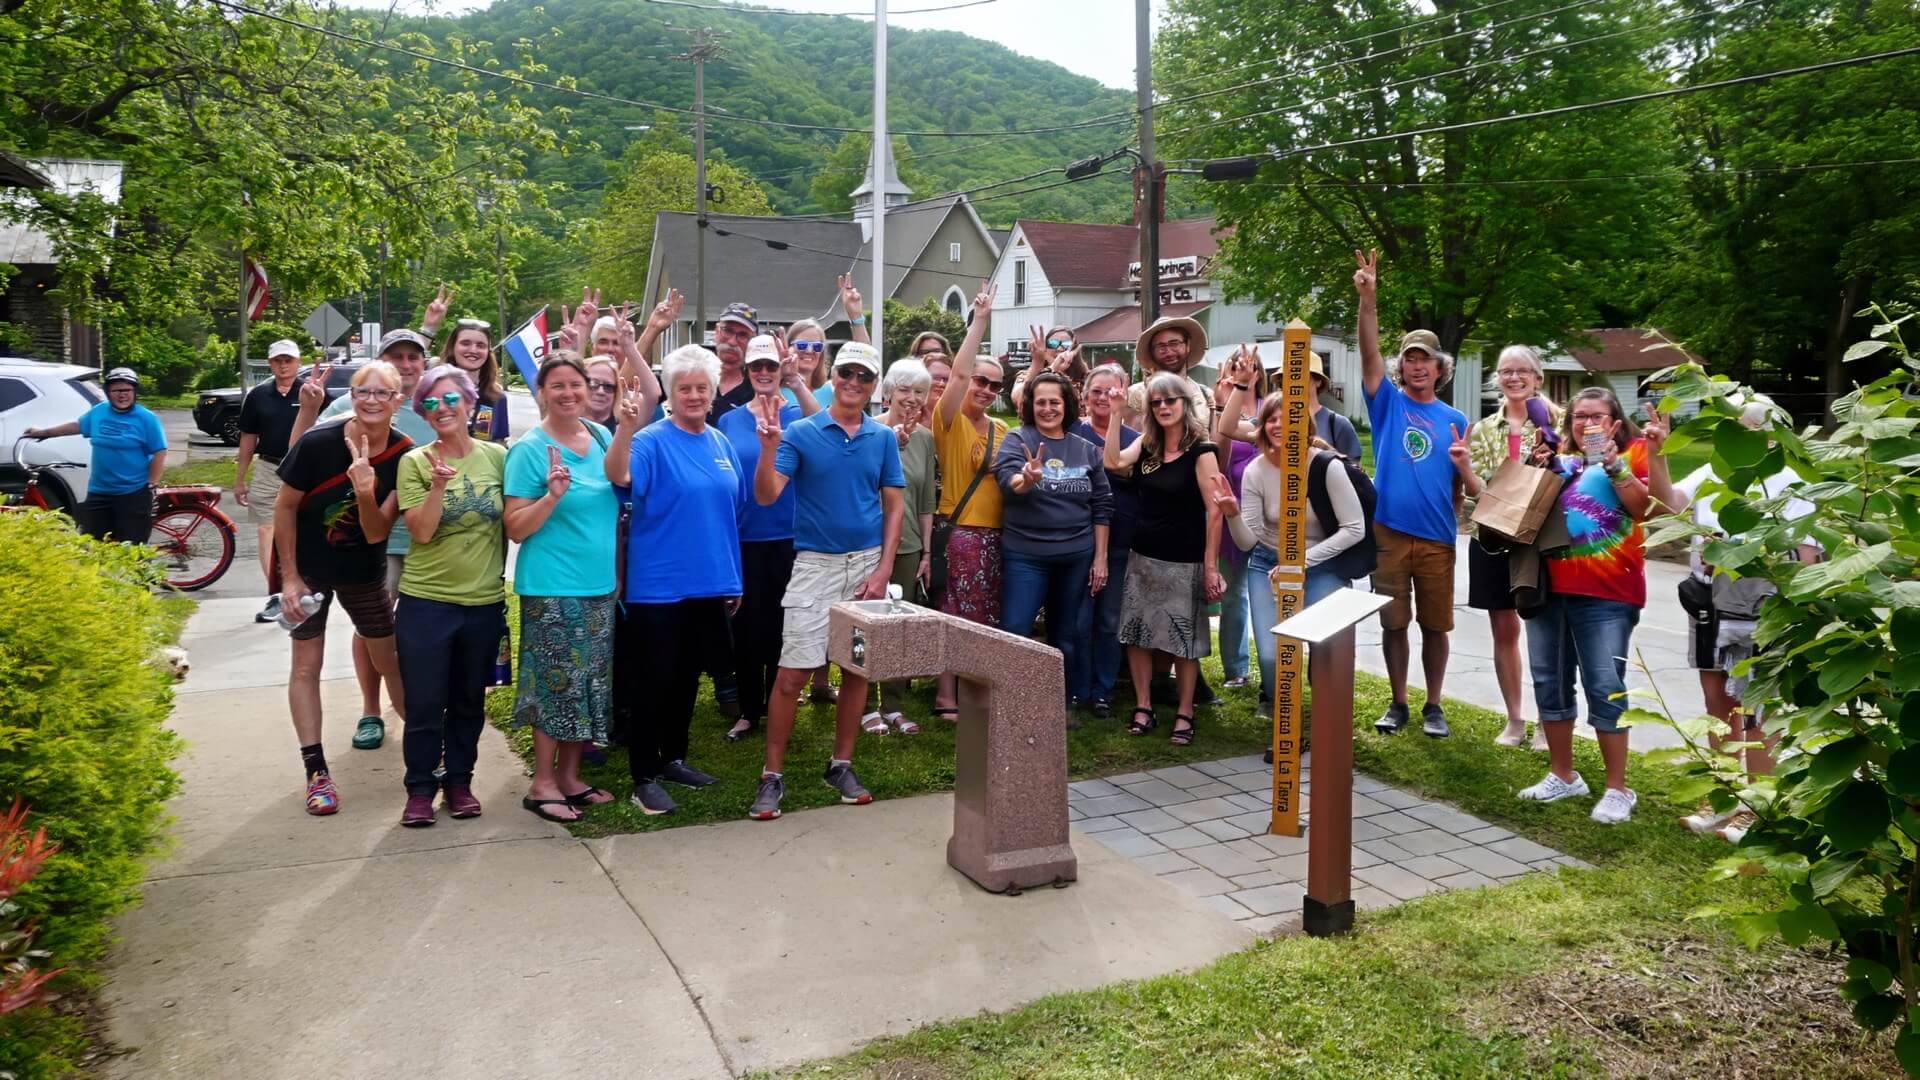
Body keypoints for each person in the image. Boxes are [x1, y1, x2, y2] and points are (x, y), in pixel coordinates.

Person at [747, 341, 904, 820]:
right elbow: (767, 495)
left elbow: (894, 504)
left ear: (874, 386)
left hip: (866, 567)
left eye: (864, 376)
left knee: (856, 670)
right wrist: (768, 449)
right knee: (792, 673)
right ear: (833, 377)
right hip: (815, 567)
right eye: (847, 373)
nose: (854, 382)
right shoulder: (800, 432)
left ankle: (841, 765)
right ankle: (772, 775)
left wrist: (884, 568)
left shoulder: (881, 438)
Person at [1516, 386, 1677, 825]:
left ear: (1615, 422)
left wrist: (1615, 465)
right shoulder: (1562, 462)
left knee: (1605, 686)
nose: (1586, 423)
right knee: (1549, 682)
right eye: (1578, 416)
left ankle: (1617, 788)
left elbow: (1648, 511)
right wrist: (1534, 468)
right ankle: (1562, 775)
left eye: (1596, 416)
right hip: (1548, 589)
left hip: (1608, 593)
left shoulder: (1634, 453)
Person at [1666, 399, 1819, 842]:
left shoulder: (1790, 485)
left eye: (1744, 429)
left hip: (1761, 612)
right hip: (1708, 605)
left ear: (1770, 438)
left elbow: (1807, 562)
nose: (1731, 437)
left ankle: (1758, 807)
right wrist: (1657, 452)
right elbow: (1667, 504)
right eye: (1729, 429)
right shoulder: (1711, 473)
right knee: (1717, 704)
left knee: (1759, 709)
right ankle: (1722, 799)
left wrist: (1743, 560)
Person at [605, 345, 744, 815]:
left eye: (701, 388)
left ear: (712, 392)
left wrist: (733, 578)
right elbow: (618, 474)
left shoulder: (720, 442)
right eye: (684, 388)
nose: (694, 395)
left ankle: (673, 758)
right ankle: (643, 774)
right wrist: (625, 428)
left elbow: (728, 514)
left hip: (710, 582)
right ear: (670, 393)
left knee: (687, 678)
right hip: (659, 586)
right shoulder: (650, 441)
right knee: (653, 681)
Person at [273, 361, 413, 816]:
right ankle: (316, 772)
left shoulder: (405, 455)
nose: (371, 400)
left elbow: (376, 532)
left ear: (397, 400)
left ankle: (427, 746)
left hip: (363, 571)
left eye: (382, 393)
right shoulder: (317, 443)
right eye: (362, 391)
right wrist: (289, 577)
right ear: (351, 396)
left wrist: (366, 490)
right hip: (308, 570)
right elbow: (284, 507)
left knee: (389, 660)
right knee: (305, 666)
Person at [293, 328, 439, 752]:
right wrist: (308, 410)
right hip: (371, 545)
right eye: (396, 356)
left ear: (422, 364)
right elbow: (299, 461)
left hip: (423, 536)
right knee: (373, 628)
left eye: (413, 356)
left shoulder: (434, 404)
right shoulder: (351, 404)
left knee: (407, 633)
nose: (405, 363)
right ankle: (371, 710)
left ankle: (423, 726)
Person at [1352, 250, 1475, 739]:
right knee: (1394, 622)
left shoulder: (1456, 420)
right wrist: (1368, 300)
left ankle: (1434, 705)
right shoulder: (1386, 404)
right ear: (1401, 368)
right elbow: (1368, 354)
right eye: (1410, 359)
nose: (1417, 366)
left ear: (1440, 369)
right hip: (1390, 532)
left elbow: (1459, 483)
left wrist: (1456, 510)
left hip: (1438, 538)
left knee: (1437, 625)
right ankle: (1399, 700)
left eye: (1426, 360)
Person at [504, 352, 622, 824]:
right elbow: (515, 527)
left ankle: (570, 778)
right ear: (541, 392)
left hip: (598, 586)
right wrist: (552, 497)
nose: (570, 393)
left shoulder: (601, 436)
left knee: (588, 684)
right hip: (552, 587)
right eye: (558, 385)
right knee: (555, 686)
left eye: (577, 383)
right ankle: (542, 784)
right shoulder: (530, 449)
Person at [392, 365, 508, 827]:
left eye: (450, 399)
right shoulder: (415, 462)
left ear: (469, 403)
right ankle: (420, 789)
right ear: (422, 412)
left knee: (467, 701)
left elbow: (513, 520)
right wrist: (439, 485)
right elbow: (420, 532)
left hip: (482, 603)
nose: (441, 408)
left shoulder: (497, 458)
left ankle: (459, 782)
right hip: (426, 602)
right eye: (431, 402)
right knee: (424, 703)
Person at [1215, 359, 1368, 704]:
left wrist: (1300, 562)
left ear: (1305, 424)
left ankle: (1326, 716)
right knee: (1272, 654)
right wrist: (1232, 514)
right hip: (1267, 563)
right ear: (1262, 427)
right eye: (1271, 419)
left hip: (1323, 563)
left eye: (1288, 418)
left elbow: (1355, 528)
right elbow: (1248, 541)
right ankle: (1276, 703)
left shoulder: (1326, 465)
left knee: (1326, 645)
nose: (1279, 425)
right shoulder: (1255, 471)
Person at [1104, 370, 1228, 746]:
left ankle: (1185, 711)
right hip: (1143, 557)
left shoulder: (1202, 451)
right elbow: (1113, 462)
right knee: (1138, 636)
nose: (1162, 407)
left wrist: (1210, 567)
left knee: (1182, 642)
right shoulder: (1147, 445)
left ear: (1185, 404)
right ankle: (1143, 706)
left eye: (1170, 400)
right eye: (1155, 402)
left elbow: (1215, 512)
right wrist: (1115, 413)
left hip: (1185, 561)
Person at [715, 335, 823, 743]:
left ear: (780, 370)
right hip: (745, 534)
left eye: (770, 367)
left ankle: (780, 703)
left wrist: (796, 381)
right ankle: (749, 710)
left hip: (791, 535)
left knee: (785, 624)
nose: (763, 373)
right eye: (756, 367)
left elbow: (825, 428)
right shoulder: (729, 421)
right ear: (746, 371)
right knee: (746, 626)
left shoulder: (797, 414)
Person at [994, 370, 1111, 712]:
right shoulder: (1017, 440)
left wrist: (1100, 558)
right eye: (1040, 402)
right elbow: (1008, 482)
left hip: (1076, 555)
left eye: (1054, 402)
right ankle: (1011, 702)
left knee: (1067, 633)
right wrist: (1027, 480)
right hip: (1026, 555)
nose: (1047, 409)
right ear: (1030, 405)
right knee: (1016, 629)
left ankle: (1062, 703)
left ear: (1066, 405)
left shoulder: (1087, 450)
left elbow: (1102, 506)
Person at [1465, 345, 1563, 748]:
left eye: (1522, 371)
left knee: (1546, 630)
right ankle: (1514, 719)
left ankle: (1547, 720)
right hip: (1493, 536)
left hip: (1543, 541)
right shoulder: (1485, 428)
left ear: (1538, 377)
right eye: (1506, 371)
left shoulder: (1560, 422)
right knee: (1503, 629)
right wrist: (1463, 469)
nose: (1514, 377)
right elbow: (1478, 490)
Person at [929, 282, 1006, 722]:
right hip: (961, 534)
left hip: (997, 536)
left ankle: (976, 691)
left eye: (995, 385)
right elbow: (956, 377)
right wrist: (979, 321)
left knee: (986, 616)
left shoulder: (1001, 429)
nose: (986, 389)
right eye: (981, 380)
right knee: (954, 611)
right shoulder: (948, 421)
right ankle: (946, 696)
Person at [868, 356, 938, 734]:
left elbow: (925, 500)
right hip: (867, 544)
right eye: (905, 389)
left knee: (898, 627)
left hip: (909, 545)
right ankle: (863, 703)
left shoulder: (925, 438)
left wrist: (926, 551)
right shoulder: (869, 430)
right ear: (889, 392)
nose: (912, 398)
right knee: (864, 625)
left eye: (920, 392)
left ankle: (893, 704)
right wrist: (890, 443)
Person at [24, 367, 166, 543]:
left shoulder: (146, 418)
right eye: (116, 391)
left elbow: (159, 451)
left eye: (127, 390)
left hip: (133, 492)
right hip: (99, 491)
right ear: (108, 393)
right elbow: (77, 426)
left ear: (134, 392)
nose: (122, 395)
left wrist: (151, 484)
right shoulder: (99, 411)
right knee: (92, 543)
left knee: (131, 547)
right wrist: (44, 433)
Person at [1072, 363, 1141, 720]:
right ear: (1084, 396)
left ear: (1123, 394)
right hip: (1075, 539)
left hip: (1119, 541)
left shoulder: (1134, 439)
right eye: (1096, 391)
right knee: (1078, 621)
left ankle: (1103, 691)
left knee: (1109, 620)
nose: (1103, 397)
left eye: (1111, 391)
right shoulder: (1070, 431)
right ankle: (1077, 688)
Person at [234, 340, 305, 623]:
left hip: (303, 469)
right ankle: (277, 594)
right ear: (270, 364)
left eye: (288, 360)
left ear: (298, 362)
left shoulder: (311, 392)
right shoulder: (258, 396)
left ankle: (303, 590)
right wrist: (240, 479)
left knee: (303, 531)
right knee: (266, 530)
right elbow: (248, 438)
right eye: (278, 360)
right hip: (268, 468)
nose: (283, 365)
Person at [1210, 358, 1269, 693]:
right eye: (1233, 368)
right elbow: (1218, 461)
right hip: (1233, 514)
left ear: (1256, 373)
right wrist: (1221, 404)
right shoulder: (1221, 411)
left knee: (1267, 596)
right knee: (1234, 595)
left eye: (1245, 368)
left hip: (1269, 518)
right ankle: (1236, 668)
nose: (1238, 374)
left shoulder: (1269, 409)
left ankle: (1273, 668)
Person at [1122, 315, 1213, 431]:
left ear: (1188, 346)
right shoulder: (1136, 394)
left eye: (1174, 344)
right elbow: (1131, 437)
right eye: (1161, 346)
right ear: (1152, 352)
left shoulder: (1206, 395)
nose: (1169, 352)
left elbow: (1218, 440)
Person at [435, 319, 510, 442]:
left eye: (480, 345)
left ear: (488, 352)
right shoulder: (434, 392)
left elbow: (499, 443)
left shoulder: (496, 397)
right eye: (465, 343)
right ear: (452, 348)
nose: (473, 350)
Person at [1009, 324, 1086, 412]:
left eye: (1066, 344)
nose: (1059, 348)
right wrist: (1049, 368)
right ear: (1045, 348)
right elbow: (1018, 401)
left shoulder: (1085, 379)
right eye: (1053, 343)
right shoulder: (1025, 376)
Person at [1303, 353, 1363, 461]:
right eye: (1288, 377)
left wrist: (1327, 450)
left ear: (1318, 381)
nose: (1295, 382)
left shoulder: (1337, 423)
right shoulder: (1276, 422)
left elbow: (1355, 468)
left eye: (1302, 376)